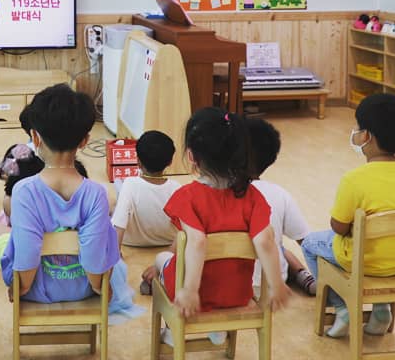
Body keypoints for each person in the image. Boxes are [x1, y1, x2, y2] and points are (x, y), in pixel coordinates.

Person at [142, 107, 290, 346]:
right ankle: (219, 330)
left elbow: (198, 241)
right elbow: (265, 240)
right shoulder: (253, 197)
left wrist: (191, 290)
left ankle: (171, 331)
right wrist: (276, 284)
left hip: (198, 293)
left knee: (161, 260)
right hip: (237, 295)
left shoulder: (187, 197)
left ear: (191, 156)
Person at [0, 85, 137, 320]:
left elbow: (27, 252)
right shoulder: (96, 193)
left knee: (2, 237)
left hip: (35, 290)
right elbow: (94, 258)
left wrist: (21, 287)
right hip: (83, 289)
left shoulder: (24, 191)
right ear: (84, 141)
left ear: (35, 137)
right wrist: (98, 287)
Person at [301, 93, 395, 339]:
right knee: (382, 244)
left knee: (310, 243)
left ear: (367, 136)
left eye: (359, 128)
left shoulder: (354, 180)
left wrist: (355, 228)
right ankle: (381, 310)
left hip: (360, 262)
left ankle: (342, 307)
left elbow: (338, 227)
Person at [246, 117, 316, 296]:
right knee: (279, 248)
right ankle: (305, 276)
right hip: (271, 284)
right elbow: (306, 241)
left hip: (230, 286)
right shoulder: (279, 193)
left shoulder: (217, 193)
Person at [111, 130, 181, 251]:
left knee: (111, 203)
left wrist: (115, 254)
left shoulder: (130, 184)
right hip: (167, 241)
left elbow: (119, 224)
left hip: (132, 241)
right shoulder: (176, 187)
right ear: (170, 162)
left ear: (138, 161)